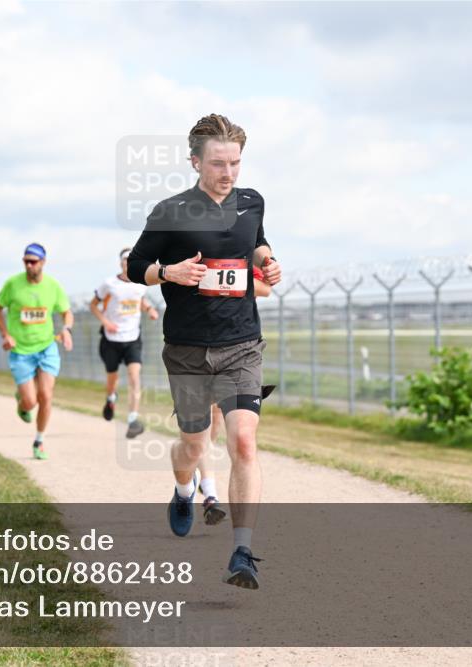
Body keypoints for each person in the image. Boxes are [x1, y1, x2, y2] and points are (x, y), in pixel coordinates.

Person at [127, 114, 282, 590]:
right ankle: (182, 489)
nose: (228, 172)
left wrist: (268, 261)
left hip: (241, 345)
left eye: (235, 162)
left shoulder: (251, 202)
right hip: (188, 350)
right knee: (194, 446)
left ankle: (243, 551)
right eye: (218, 163)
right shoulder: (170, 211)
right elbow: (135, 265)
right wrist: (167, 273)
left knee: (243, 442)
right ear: (195, 162)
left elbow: (255, 242)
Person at [199, 265, 273, 525]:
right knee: (199, 431)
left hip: (236, 350)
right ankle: (207, 493)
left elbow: (265, 289)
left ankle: (205, 488)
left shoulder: (244, 253)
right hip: (196, 347)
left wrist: (224, 284)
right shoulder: (190, 249)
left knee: (221, 426)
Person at [0, 243, 73, 460]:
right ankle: (22, 401)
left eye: (33, 261)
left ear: (43, 262)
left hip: (46, 347)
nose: (29, 265)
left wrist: (66, 329)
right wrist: (5, 334)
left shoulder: (52, 286)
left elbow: (67, 312)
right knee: (30, 402)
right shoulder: (13, 284)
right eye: (26, 261)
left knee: (46, 395)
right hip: (20, 350)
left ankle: (39, 441)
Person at [90, 247, 158, 439]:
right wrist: (106, 322)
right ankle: (111, 398)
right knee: (112, 378)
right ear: (121, 263)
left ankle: (133, 419)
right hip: (111, 339)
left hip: (132, 338)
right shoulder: (109, 284)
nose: (128, 264)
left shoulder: (141, 284)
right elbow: (93, 305)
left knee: (134, 376)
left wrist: (150, 310)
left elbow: (140, 301)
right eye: (125, 260)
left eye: (131, 260)